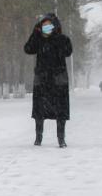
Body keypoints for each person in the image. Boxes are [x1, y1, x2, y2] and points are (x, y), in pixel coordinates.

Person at [24, 14, 73, 148]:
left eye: (49, 25)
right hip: (42, 80)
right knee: (40, 110)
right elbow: (28, 49)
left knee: (60, 111)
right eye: (44, 26)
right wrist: (35, 33)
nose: (47, 28)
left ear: (55, 26)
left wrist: (56, 38)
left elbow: (68, 51)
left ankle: (61, 139)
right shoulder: (38, 40)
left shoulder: (63, 39)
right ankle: (38, 138)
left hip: (58, 80)